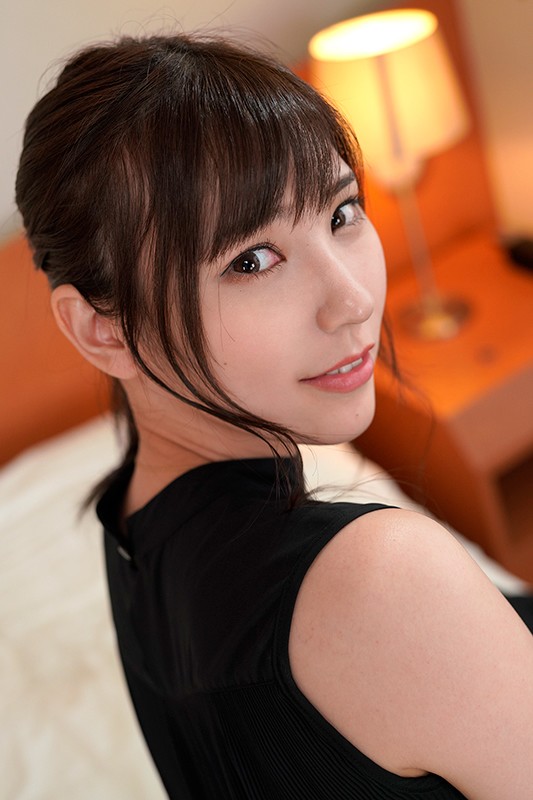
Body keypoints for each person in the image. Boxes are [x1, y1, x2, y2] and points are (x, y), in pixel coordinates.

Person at [15, 33, 533, 800]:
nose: (350, 300)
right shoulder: (383, 580)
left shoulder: (131, 524)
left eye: (342, 211)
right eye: (250, 260)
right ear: (104, 330)